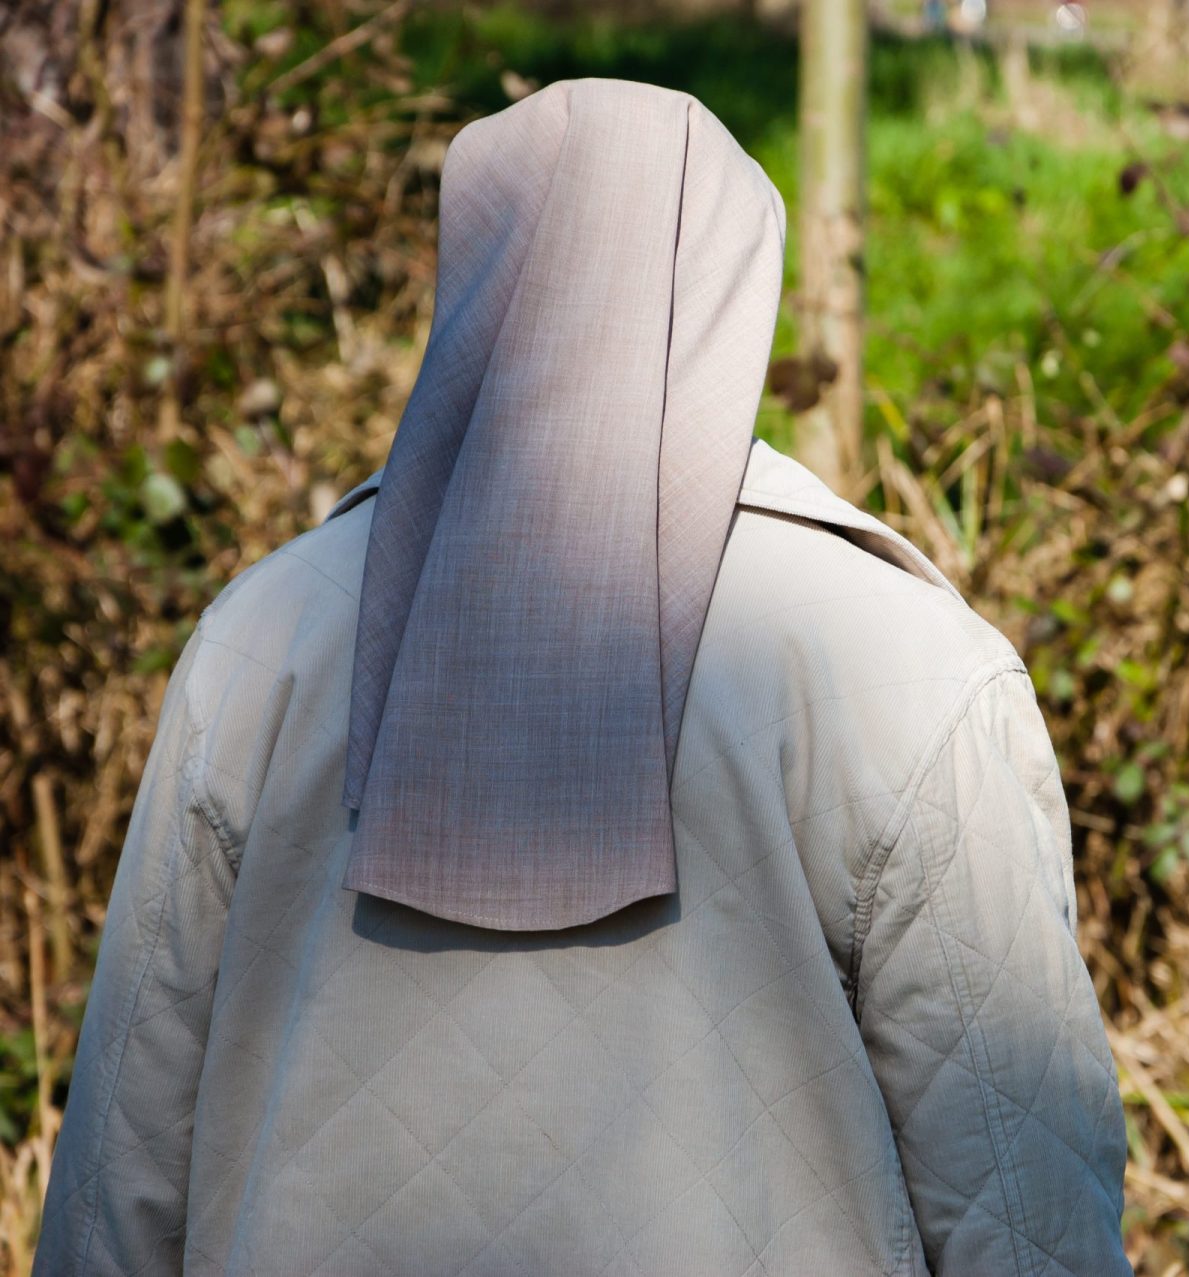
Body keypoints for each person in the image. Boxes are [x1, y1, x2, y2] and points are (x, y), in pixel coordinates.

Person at [34, 80, 1129, 1276]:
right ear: (732, 281)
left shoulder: (262, 647)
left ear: (476, 270)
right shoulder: (904, 666)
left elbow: (115, 1188)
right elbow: (1028, 1219)